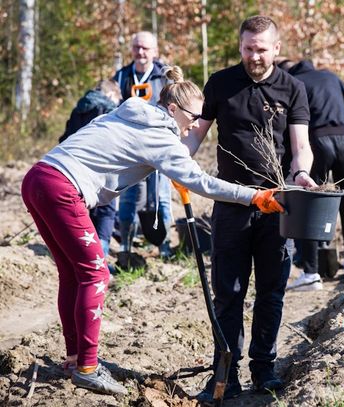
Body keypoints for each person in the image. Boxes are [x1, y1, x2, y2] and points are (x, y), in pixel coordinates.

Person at [20, 65, 283, 395]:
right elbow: (202, 182)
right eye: (192, 119)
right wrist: (254, 197)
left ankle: (75, 359)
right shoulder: (162, 137)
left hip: (38, 177)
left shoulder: (132, 111)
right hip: (62, 188)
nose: (193, 128)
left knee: (73, 273)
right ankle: (87, 367)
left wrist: (171, 165)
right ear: (173, 109)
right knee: (96, 274)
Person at [182, 15, 316, 402]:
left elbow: (300, 144)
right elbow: (197, 135)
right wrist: (176, 162)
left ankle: (264, 369)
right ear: (240, 46)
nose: (254, 56)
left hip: (276, 204)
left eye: (261, 49)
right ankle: (224, 373)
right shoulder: (221, 83)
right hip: (230, 203)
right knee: (229, 293)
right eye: (247, 48)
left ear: (276, 48)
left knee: (271, 292)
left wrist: (302, 172)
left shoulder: (292, 88)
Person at [284, 59, 344, 291]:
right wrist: (336, 112)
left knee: (310, 206)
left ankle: (310, 274)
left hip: (317, 141)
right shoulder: (330, 76)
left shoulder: (296, 82)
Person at [113, 31, 174, 259]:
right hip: (129, 151)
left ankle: (164, 246)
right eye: (137, 47)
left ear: (155, 51)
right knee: (128, 197)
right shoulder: (122, 76)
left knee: (161, 197)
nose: (141, 52)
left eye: (146, 48)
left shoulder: (165, 76)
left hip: (159, 149)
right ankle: (126, 247)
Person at [59, 80, 122, 262]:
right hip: (101, 170)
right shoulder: (108, 109)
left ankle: (83, 256)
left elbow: (65, 138)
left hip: (74, 170)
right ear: (111, 95)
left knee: (87, 212)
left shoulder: (79, 108)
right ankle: (98, 260)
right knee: (106, 211)